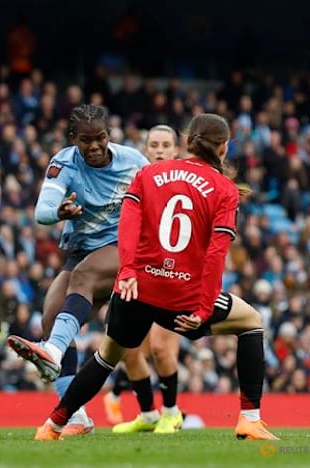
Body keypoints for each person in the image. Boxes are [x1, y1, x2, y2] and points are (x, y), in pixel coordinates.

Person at [34, 113, 279, 441]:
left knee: (107, 356)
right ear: (223, 149)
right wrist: (203, 309)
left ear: (186, 142)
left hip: (137, 287)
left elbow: (128, 228)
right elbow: (215, 256)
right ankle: (249, 418)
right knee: (251, 322)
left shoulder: (148, 173)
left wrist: (130, 272)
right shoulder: (225, 189)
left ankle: (53, 425)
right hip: (182, 294)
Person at [7, 104, 149, 437]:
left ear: (109, 136)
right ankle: (76, 417)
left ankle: (52, 352)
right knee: (51, 317)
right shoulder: (64, 163)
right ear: (74, 140)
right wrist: (59, 211)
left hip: (126, 247)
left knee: (83, 280)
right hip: (82, 250)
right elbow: (42, 211)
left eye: (100, 138)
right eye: (86, 140)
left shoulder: (133, 162)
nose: (95, 146)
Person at [102, 125, 187, 433]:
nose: (161, 150)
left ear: (176, 151)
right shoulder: (135, 182)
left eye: (166, 144)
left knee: (161, 348)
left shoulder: (186, 186)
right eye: (155, 145)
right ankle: (148, 414)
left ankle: (172, 411)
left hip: (171, 277)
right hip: (136, 278)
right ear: (146, 150)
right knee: (129, 351)